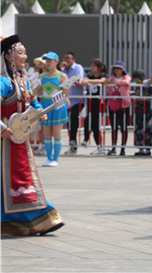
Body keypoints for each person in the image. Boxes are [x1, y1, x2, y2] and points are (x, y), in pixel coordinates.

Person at [1, 35, 64, 235]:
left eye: (25, 52)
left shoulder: (24, 80)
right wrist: (2, 129)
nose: (24, 56)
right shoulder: (3, 81)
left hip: (20, 139)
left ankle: (35, 216)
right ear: (9, 57)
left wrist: (39, 113)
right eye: (20, 52)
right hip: (5, 139)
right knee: (9, 180)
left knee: (23, 178)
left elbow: (33, 101)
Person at [38, 52, 70, 167]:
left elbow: (66, 93)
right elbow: (39, 92)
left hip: (57, 106)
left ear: (56, 62)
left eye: (50, 60)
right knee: (46, 133)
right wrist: (34, 86)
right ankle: (49, 158)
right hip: (45, 105)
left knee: (56, 133)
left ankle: (55, 159)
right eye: (46, 61)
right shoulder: (42, 76)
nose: (48, 63)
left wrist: (66, 87)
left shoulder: (62, 76)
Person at [81, 58, 107, 155]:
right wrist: (87, 80)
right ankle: (86, 139)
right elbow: (84, 80)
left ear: (100, 68)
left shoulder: (103, 75)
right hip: (90, 103)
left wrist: (90, 81)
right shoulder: (90, 75)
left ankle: (100, 146)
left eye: (93, 66)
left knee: (96, 126)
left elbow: (102, 81)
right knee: (87, 121)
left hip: (99, 105)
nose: (91, 68)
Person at [104, 61, 131, 156]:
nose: (117, 70)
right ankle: (113, 147)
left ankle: (123, 148)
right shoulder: (111, 78)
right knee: (113, 127)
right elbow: (107, 90)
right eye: (115, 68)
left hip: (124, 105)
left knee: (124, 127)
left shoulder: (126, 77)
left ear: (123, 69)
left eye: (119, 68)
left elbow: (126, 82)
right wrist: (108, 84)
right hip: (113, 105)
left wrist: (114, 82)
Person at [62, 52, 85, 154]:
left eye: (68, 58)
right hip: (66, 101)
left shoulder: (78, 67)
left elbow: (78, 79)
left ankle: (73, 141)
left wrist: (67, 82)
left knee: (73, 119)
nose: (66, 60)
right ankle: (72, 144)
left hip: (77, 100)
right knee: (69, 122)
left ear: (73, 59)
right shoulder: (62, 70)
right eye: (65, 58)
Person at [131, 69, 152, 156]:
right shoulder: (137, 86)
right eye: (135, 80)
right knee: (138, 129)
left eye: (139, 80)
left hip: (147, 110)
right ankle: (140, 148)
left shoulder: (148, 85)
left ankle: (148, 148)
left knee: (148, 129)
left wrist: (139, 98)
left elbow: (150, 98)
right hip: (138, 110)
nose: (137, 82)